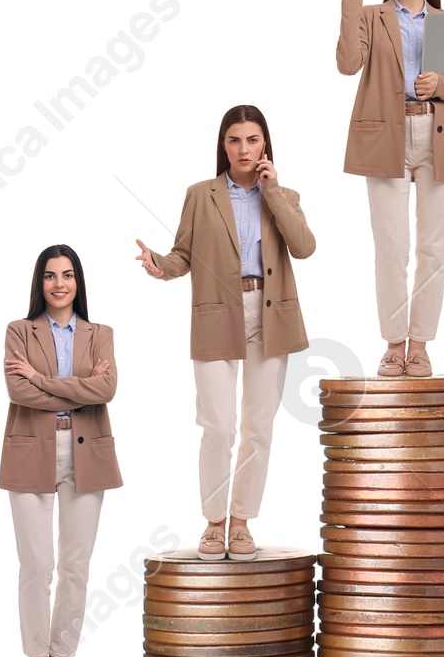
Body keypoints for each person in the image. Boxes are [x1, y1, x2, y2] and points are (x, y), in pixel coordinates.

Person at [134, 106, 315, 560]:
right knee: (217, 425)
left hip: (272, 315)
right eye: (234, 140)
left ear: (265, 145)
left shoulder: (285, 194)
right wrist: (160, 264)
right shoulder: (201, 195)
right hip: (217, 311)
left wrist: (273, 193)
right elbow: (183, 255)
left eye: (252, 140)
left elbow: (304, 247)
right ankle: (214, 522)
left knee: (259, 427)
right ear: (223, 145)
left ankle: (241, 522)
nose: (243, 149)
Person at [337, 0, 444, 379]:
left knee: (433, 249)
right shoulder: (371, 15)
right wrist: (349, 4)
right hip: (385, 136)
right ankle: (392, 345)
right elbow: (347, 64)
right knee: (391, 248)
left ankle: (419, 347)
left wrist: (443, 85)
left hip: (439, 135)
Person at [1, 244, 122, 657]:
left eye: (67, 275)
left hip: (86, 450)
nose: (59, 284)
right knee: (36, 563)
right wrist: (77, 389)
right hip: (30, 449)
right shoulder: (18, 330)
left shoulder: (100, 333)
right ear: (40, 283)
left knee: (75, 564)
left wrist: (41, 378)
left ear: (78, 282)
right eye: (50, 276)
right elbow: (19, 392)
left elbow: (107, 389)